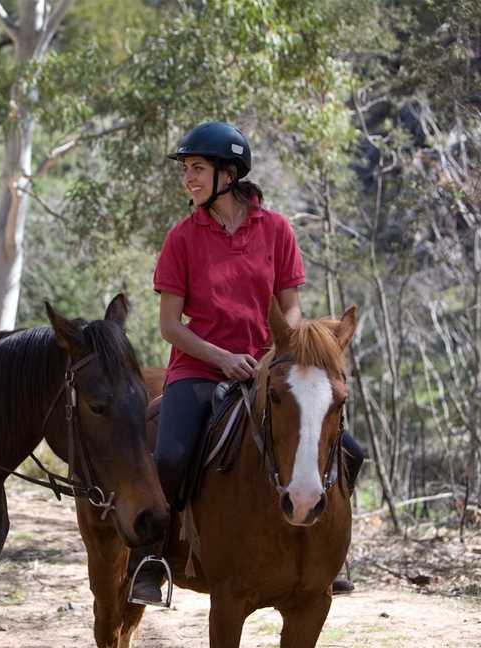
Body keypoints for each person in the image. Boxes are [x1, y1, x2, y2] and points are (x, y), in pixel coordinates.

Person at [128, 121, 365, 605]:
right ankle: (149, 559)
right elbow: (170, 326)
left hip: (268, 367)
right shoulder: (182, 238)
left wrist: (277, 356)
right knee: (170, 455)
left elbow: (291, 309)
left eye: (198, 168)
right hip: (198, 368)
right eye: (187, 170)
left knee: (352, 451)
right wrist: (222, 357)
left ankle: (331, 553)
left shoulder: (276, 230)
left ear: (229, 174)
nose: (189, 178)